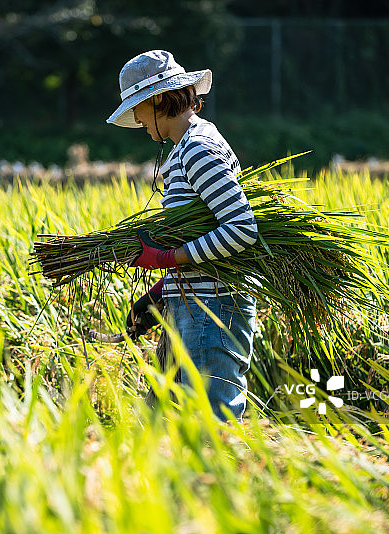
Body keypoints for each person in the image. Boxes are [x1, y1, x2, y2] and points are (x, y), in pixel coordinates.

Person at [107, 50, 258, 421]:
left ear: (158, 98)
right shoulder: (184, 148)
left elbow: (241, 229)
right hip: (195, 304)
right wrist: (163, 293)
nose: (139, 120)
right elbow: (206, 228)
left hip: (214, 310)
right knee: (167, 427)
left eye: (138, 108)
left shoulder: (197, 148)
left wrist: (166, 259)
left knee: (208, 434)